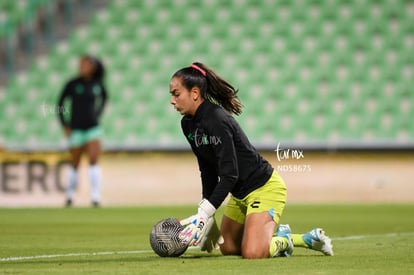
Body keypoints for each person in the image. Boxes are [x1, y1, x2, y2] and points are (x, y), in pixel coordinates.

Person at [169, 62, 333, 259]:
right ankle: (299, 239)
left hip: (264, 188)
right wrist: (207, 213)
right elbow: (208, 170)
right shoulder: (188, 124)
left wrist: (204, 213)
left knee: (253, 252)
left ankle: (285, 240)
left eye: (176, 94)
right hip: (239, 194)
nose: (172, 100)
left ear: (194, 93)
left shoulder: (216, 119)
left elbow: (230, 174)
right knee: (228, 247)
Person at [57, 55, 108, 207]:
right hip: (76, 129)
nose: (82, 66)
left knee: (93, 159)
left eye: (85, 64)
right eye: (81, 64)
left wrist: (97, 114)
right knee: (75, 162)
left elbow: (104, 98)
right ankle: (70, 195)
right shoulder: (72, 84)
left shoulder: (97, 84)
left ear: (93, 67)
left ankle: (95, 197)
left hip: (93, 128)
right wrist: (64, 124)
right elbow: (60, 103)